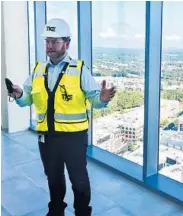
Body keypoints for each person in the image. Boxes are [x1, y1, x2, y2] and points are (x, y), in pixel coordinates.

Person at [8, 18, 116, 216]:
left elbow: (95, 100)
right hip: (47, 137)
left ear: (67, 43)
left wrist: (102, 99)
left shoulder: (79, 69)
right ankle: (56, 211)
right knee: (53, 178)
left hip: (73, 137)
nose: (49, 46)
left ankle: (82, 212)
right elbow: (27, 100)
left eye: (54, 41)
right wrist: (18, 94)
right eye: (47, 41)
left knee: (79, 180)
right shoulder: (38, 70)